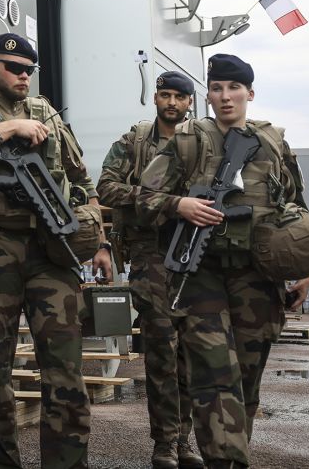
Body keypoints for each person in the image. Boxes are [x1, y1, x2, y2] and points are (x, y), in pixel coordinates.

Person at [138, 54, 309, 469]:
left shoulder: (272, 142)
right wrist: (180, 203)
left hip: (258, 276)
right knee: (215, 380)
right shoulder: (186, 140)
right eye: (216, 88)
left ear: (249, 93)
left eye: (233, 88)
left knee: (247, 382)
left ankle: (235, 454)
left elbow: (296, 207)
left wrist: (306, 269)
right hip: (202, 277)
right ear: (208, 95)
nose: (225, 97)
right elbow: (143, 197)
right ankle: (225, 462)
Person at [0, 33, 108, 469]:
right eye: (13, 68)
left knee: (65, 374)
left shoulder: (48, 115)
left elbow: (83, 183)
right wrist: (9, 128)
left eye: (29, 70)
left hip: (51, 252)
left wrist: (98, 240)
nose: (24, 76)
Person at [96, 70, 205, 469]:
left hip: (194, 256)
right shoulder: (134, 142)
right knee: (161, 352)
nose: (172, 102)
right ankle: (164, 443)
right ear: (155, 98)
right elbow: (105, 189)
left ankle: (186, 440)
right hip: (150, 256)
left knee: (190, 357)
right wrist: (166, 202)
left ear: (190, 102)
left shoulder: (203, 142)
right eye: (165, 95)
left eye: (180, 96)